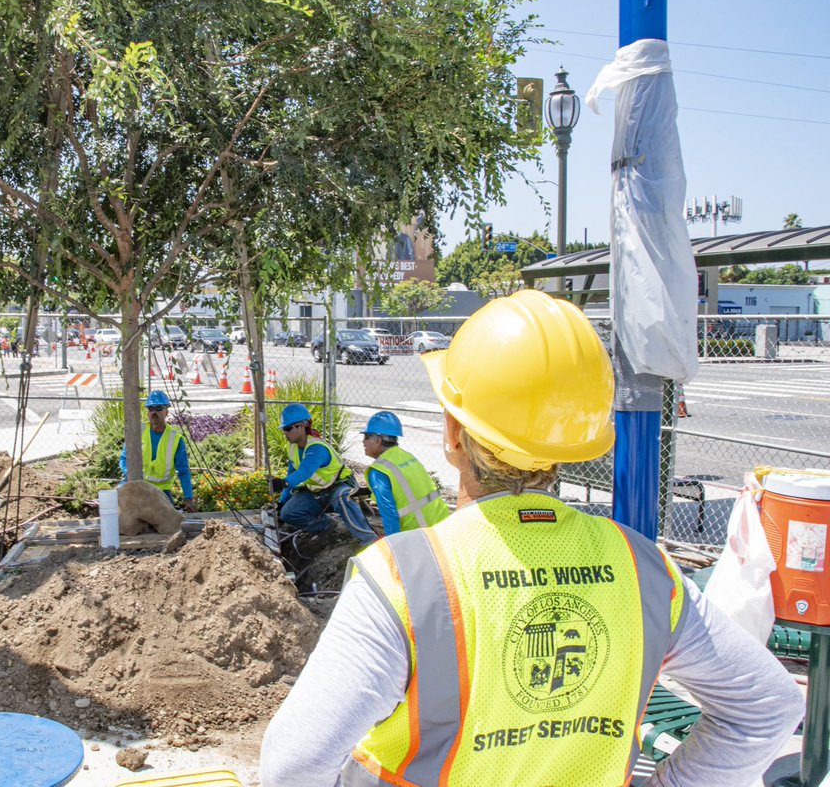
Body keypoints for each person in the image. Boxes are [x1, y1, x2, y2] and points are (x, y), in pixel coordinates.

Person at [261, 290, 802, 786]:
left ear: (452, 432)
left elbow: (295, 765)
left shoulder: (404, 579)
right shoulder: (645, 571)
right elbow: (769, 707)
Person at [272, 404, 376, 544]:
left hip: (339, 487)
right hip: (317, 493)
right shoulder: (293, 448)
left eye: (288, 428)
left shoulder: (317, 448)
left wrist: (283, 482)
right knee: (288, 512)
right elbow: (291, 472)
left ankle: (369, 539)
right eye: (284, 429)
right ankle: (327, 526)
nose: (285, 432)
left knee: (343, 498)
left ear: (302, 426)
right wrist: (282, 502)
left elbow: (305, 471)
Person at [362, 411, 449, 535]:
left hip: (419, 533)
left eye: (366, 437)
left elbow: (390, 515)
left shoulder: (378, 471)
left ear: (378, 440)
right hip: (442, 523)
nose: (363, 442)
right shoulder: (407, 457)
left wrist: (393, 545)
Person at [119, 390, 198, 512]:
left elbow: (183, 471)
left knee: (166, 524)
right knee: (117, 510)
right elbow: (124, 459)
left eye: (158, 408)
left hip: (162, 491)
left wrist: (188, 499)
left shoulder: (176, 439)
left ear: (167, 411)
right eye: (150, 409)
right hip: (138, 486)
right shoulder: (138, 432)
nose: (154, 412)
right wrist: (129, 475)